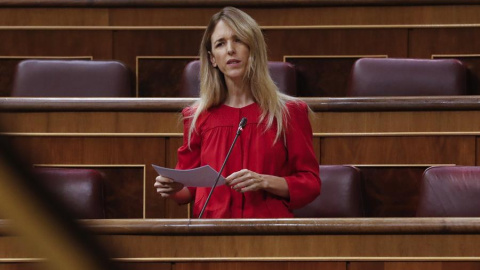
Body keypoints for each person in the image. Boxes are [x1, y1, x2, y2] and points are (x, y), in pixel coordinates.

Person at [154, 6, 320, 218]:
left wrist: (264, 181)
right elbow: (189, 190)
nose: (230, 49)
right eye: (220, 44)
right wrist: (174, 188)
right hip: (212, 235)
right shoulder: (196, 116)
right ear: (213, 58)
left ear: (253, 48)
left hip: (271, 235)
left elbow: (311, 183)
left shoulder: (289, 113)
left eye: (238, 40)